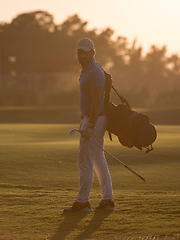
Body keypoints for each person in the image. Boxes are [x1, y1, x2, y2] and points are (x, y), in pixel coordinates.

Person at [64, 38, 115, 213]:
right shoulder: (88, 70)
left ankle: (83, 202)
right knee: (98, 160)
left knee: (84, 162)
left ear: (93, 53)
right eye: (79, 52)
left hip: (94, 119)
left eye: (85, 52)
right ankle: (108, 200)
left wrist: (90, 124)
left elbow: (96, 100)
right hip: (93, 118)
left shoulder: (93, 71)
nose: (81, 55)